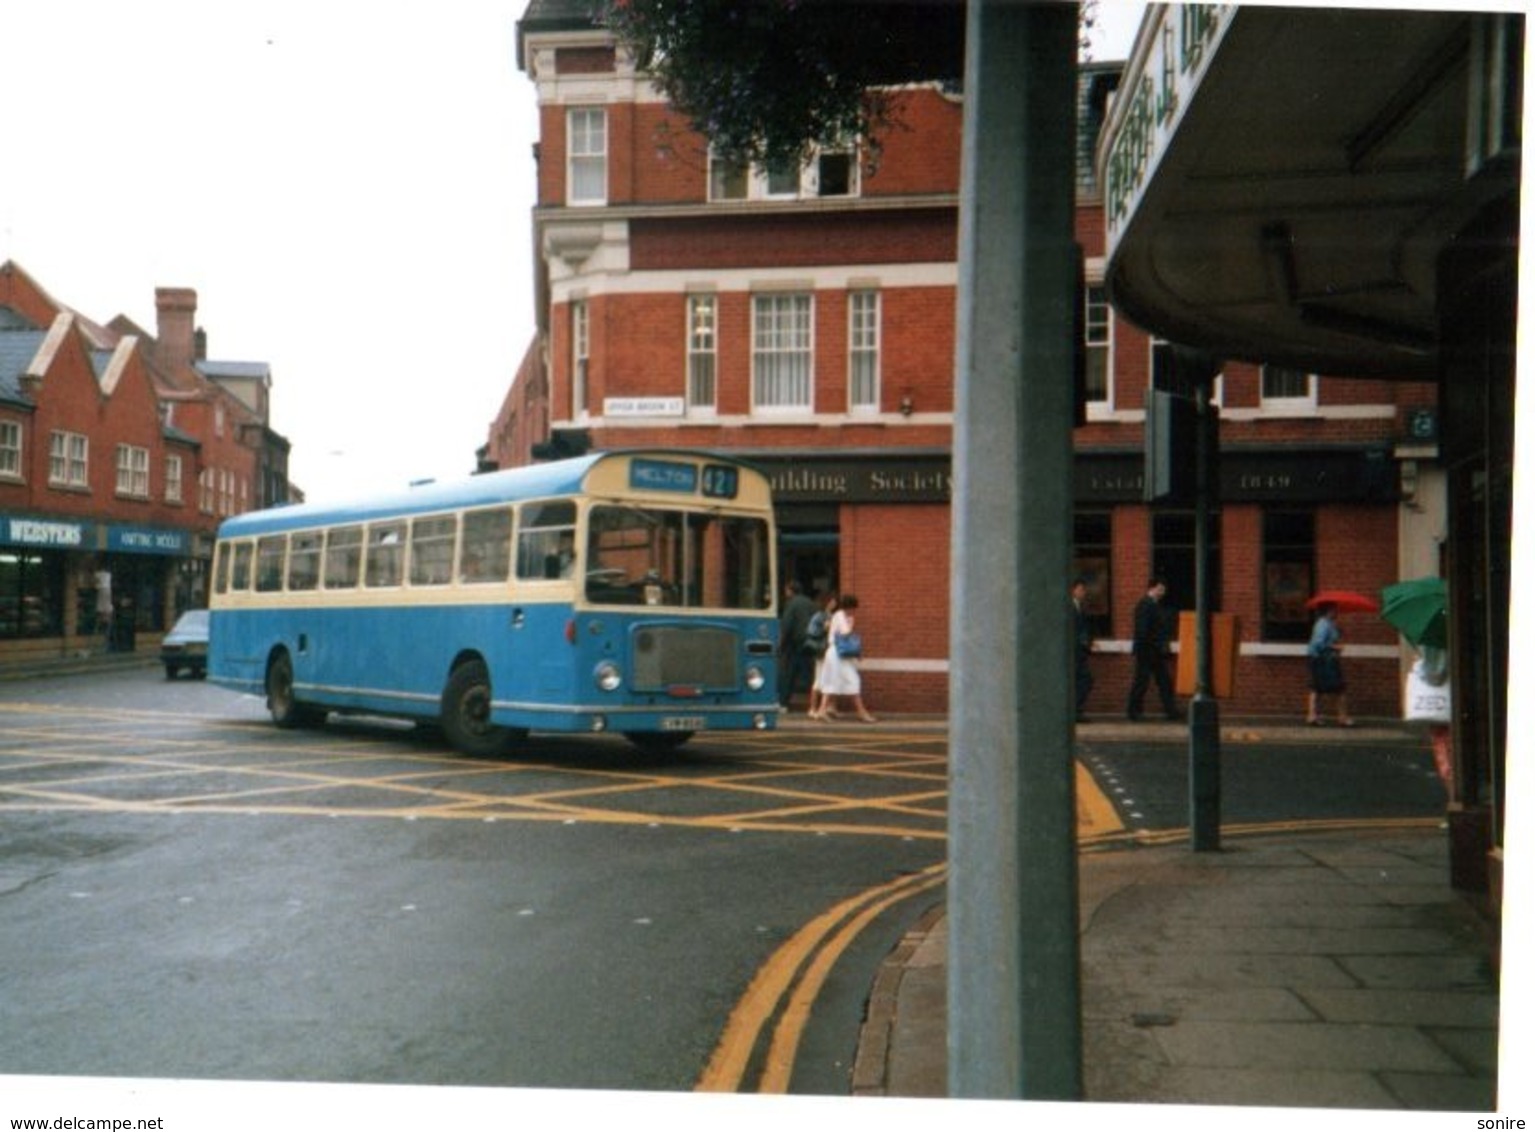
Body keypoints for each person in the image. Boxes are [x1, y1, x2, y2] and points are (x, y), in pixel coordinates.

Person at [812, 593, 876, 723]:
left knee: (832, 682)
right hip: (837, 653)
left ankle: (821, 711)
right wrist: (850, 623)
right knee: (853, 680)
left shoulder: (841, 616)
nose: (854, 611)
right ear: (849, 606)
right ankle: (862, 713)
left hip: (838, 653)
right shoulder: (840, 616)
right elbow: (845, 632)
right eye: (853, 608)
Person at [1126, 578, 1178, 721]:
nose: (1163, 592)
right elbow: (1142, 631)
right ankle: (1133, 712)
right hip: (1147, 651)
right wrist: (1154, 645)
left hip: (1154, 651)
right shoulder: (1144, 605)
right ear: (1152, 588)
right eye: (1160, 589)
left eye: (1163, 589)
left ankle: (1171, 711)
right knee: (1142, 682)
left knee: (1164, 681)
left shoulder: (1154, 605)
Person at [1306, 602, 1354, 726]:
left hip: (1320, 659)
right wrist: (1336, 647)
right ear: (1328, 611)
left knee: (1317, 688)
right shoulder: (1323, 624)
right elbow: (1319, 644)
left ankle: (1312, 716)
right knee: (1340, 688)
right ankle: (1342, 718)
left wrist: (1338, 634)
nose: (1337, 612)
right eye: (1334, 610)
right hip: (1324, 660)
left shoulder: (1328, 624)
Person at [778, 579, 817, 709]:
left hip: (795, 644)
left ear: (790, 591)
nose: (785, 592)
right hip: (810, 643)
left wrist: (781, 644)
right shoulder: (811, 603)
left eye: (786, 590)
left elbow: (787, 625)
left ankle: (783, 703)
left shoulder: (791, 604)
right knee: (811, 674)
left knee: (789, 674)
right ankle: (815, 704)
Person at [804, 592, 837, 719]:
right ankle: (812, 708)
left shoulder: (830, 615)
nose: (834, 603)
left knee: (827, 680)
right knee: (818, 680)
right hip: (820, 651)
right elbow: (811, 631)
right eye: (832, 600)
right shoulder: (819, 616)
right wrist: (824, 628)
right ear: (827, 602)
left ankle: (827, 707)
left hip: (827, 651)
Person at [1072, 577, 1094, 722]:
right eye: (1080, 589)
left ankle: (1075, 711)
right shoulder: (1068, 607)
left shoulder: (1080, 607)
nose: (1083, 592)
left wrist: (1088, 641)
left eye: (1084, 590)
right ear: (1072, 590)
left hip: (1080, 652)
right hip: (1073, 652)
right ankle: (1075, 711)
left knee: (1084, 680)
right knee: (1084, 679)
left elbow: (1084, 629)